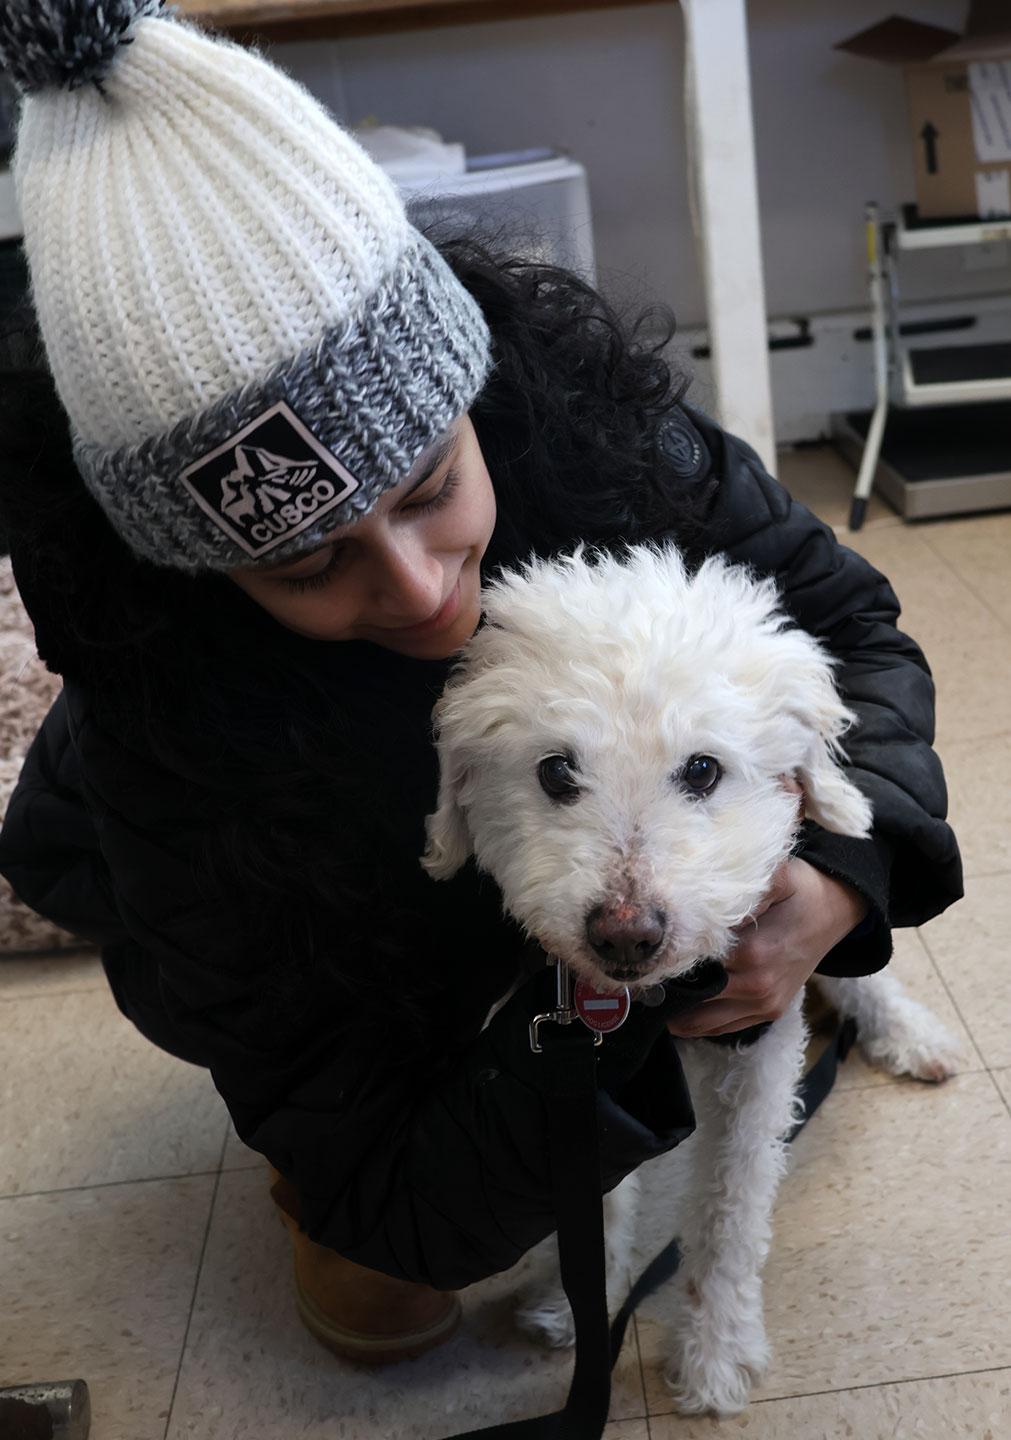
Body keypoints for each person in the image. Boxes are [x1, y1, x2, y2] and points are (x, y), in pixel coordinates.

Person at [0, 0, 961, 1368]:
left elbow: (852, 638)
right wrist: (559, 1057)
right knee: (393, 1263)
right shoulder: (175, 741)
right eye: (309, 559)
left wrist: (843, 891)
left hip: (556, 827)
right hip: (315, 890)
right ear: (208, 572)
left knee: (768, 896)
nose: (413, 588)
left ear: (471, 389)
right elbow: (351, 1116)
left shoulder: (601, 437)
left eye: (431, 486)